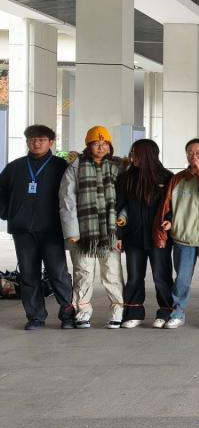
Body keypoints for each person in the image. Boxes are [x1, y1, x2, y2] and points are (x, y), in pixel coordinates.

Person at [0, 125, 74, 329]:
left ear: (51, 142)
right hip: (23, 230)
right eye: (32, 139)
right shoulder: (15, 167)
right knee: (28, 274)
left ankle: (67, 314)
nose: (36, 143)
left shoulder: (61, 166)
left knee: (58, 273)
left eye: (41, 139)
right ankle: (35, 317)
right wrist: (7, 213)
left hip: (52, 229)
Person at [155, 138, 199, 329]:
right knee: (182, 279)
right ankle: (177, 313)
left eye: (198, 153)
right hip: (183, 238)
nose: (194, 156)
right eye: (190, 153)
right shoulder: (177, 179)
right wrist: (170, 220)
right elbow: (169, 205)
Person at [58, 125, 125, 329]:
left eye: (105, 144)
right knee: (83, 274)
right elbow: (67, 200)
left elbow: (126, 198)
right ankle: (83, 313)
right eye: (96, 143)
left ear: (110, 146)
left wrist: (122, 222)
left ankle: (117, 312)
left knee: (112, 274)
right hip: (83, 233)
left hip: (110, 232)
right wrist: (72, 231)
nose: (101, 147)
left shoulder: (119, 167)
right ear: (88, 145)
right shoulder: (75, 167)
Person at [115, 139, 173, 328]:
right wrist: (119, 234)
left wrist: (170, 220)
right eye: (132, 153)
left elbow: (173, 206)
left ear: (148, 155)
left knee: (161, 276)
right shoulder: (126, 178)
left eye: (136, 154)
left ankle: (166, 312)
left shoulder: (166, 177)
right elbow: (120, 207)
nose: (132, 157)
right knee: (134, 277)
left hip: (159, 237)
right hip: (133, 237)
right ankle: (133, 312)